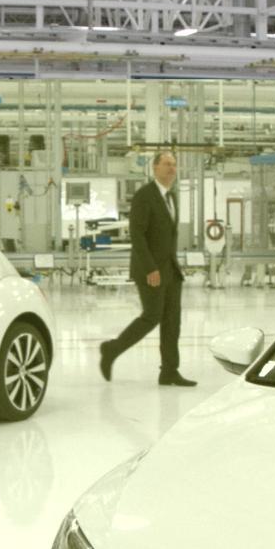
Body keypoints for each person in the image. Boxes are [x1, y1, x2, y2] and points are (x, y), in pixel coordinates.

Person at [100, 151, 195, 387]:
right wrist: (151, 268)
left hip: (171, 269)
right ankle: (112, 349)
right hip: (150, 269)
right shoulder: (145, 196)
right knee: (152, 316)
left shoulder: (171, 197)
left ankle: (169, 371)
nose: (171, 169)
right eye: (166, 164)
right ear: (154, 168)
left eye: (174, 164)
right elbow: (138, 235)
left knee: (172, 321)